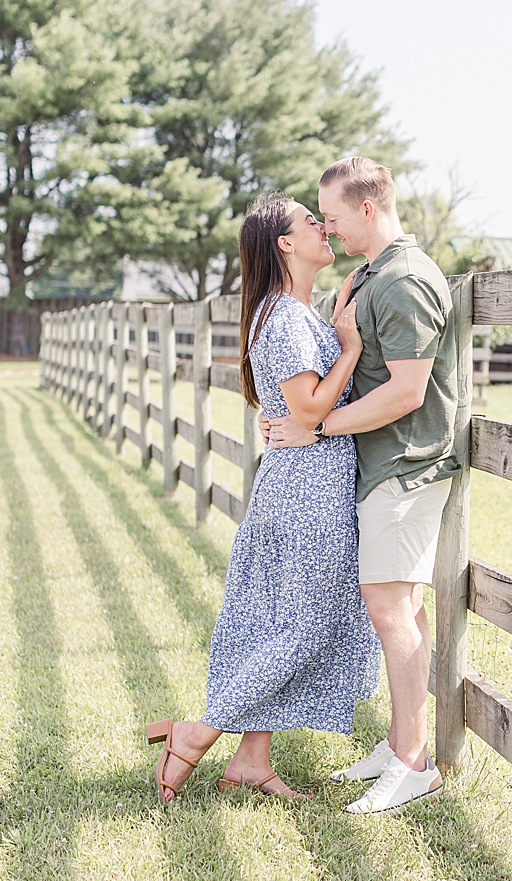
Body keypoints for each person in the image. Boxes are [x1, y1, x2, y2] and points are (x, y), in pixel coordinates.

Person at [146, 192, 380, 803]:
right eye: (311, 222)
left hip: (299, 479)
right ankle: (197, 732)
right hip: (309, 485)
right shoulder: (285, 318)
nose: (324, 227)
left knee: (281, 618)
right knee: (307, 621)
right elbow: (306, 408)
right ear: (285, 243)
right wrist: (350, 347)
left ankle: (252, 760)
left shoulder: (288, 313)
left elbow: (290, 402)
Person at [264, 156, 461, 815]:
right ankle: (401, 742)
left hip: (407, 463)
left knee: (389, 608)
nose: (331, 228)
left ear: (368, 210)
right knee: (399, 607)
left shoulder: (405, 280)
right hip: (378, 465)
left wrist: (315, 431)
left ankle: (413, 765)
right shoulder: (370, 275)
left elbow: (407, 392)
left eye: (337, 217)